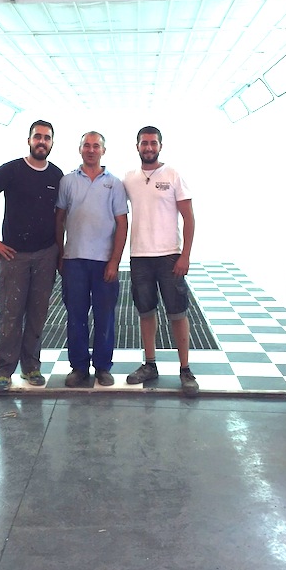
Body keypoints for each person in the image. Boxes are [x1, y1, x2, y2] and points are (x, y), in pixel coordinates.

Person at [0, 120, 63, 392]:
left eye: (46, 138)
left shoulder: (56, 175)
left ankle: (31, 367)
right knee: (10, 314)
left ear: (52, 143)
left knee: (38, 313)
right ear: (29, 140)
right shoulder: (11, 170)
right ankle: (3, 371)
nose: (42, 141)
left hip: (46, 254)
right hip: (14, 256)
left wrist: (60, 251)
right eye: (38, 137)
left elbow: (61, 216)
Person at [123, 126, 198, 397]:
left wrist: (185, 255)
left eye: (153, 143)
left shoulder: (173, 175)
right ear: (137, 146)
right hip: (140, 256)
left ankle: (185, 369)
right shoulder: (129, 179)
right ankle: (150, 364)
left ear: (160, 146)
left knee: (177, 312)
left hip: (169, 256)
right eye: (144, 143)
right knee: (145, 311)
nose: (149, 147)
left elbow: (189, 218)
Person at [56, 131, 128, 387]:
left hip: (103, 262)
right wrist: (60, 255)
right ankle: (79, 368)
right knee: (75, 317)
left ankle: (102, 367)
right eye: (86, 145)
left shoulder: (115, 184)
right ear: (80, 149)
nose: (91, 150)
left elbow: (122, 224)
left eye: (96, 146)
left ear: (103, 151)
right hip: (74, 260)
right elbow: (59, 219)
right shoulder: (67, 181)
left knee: (104, 317)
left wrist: (114, 262)